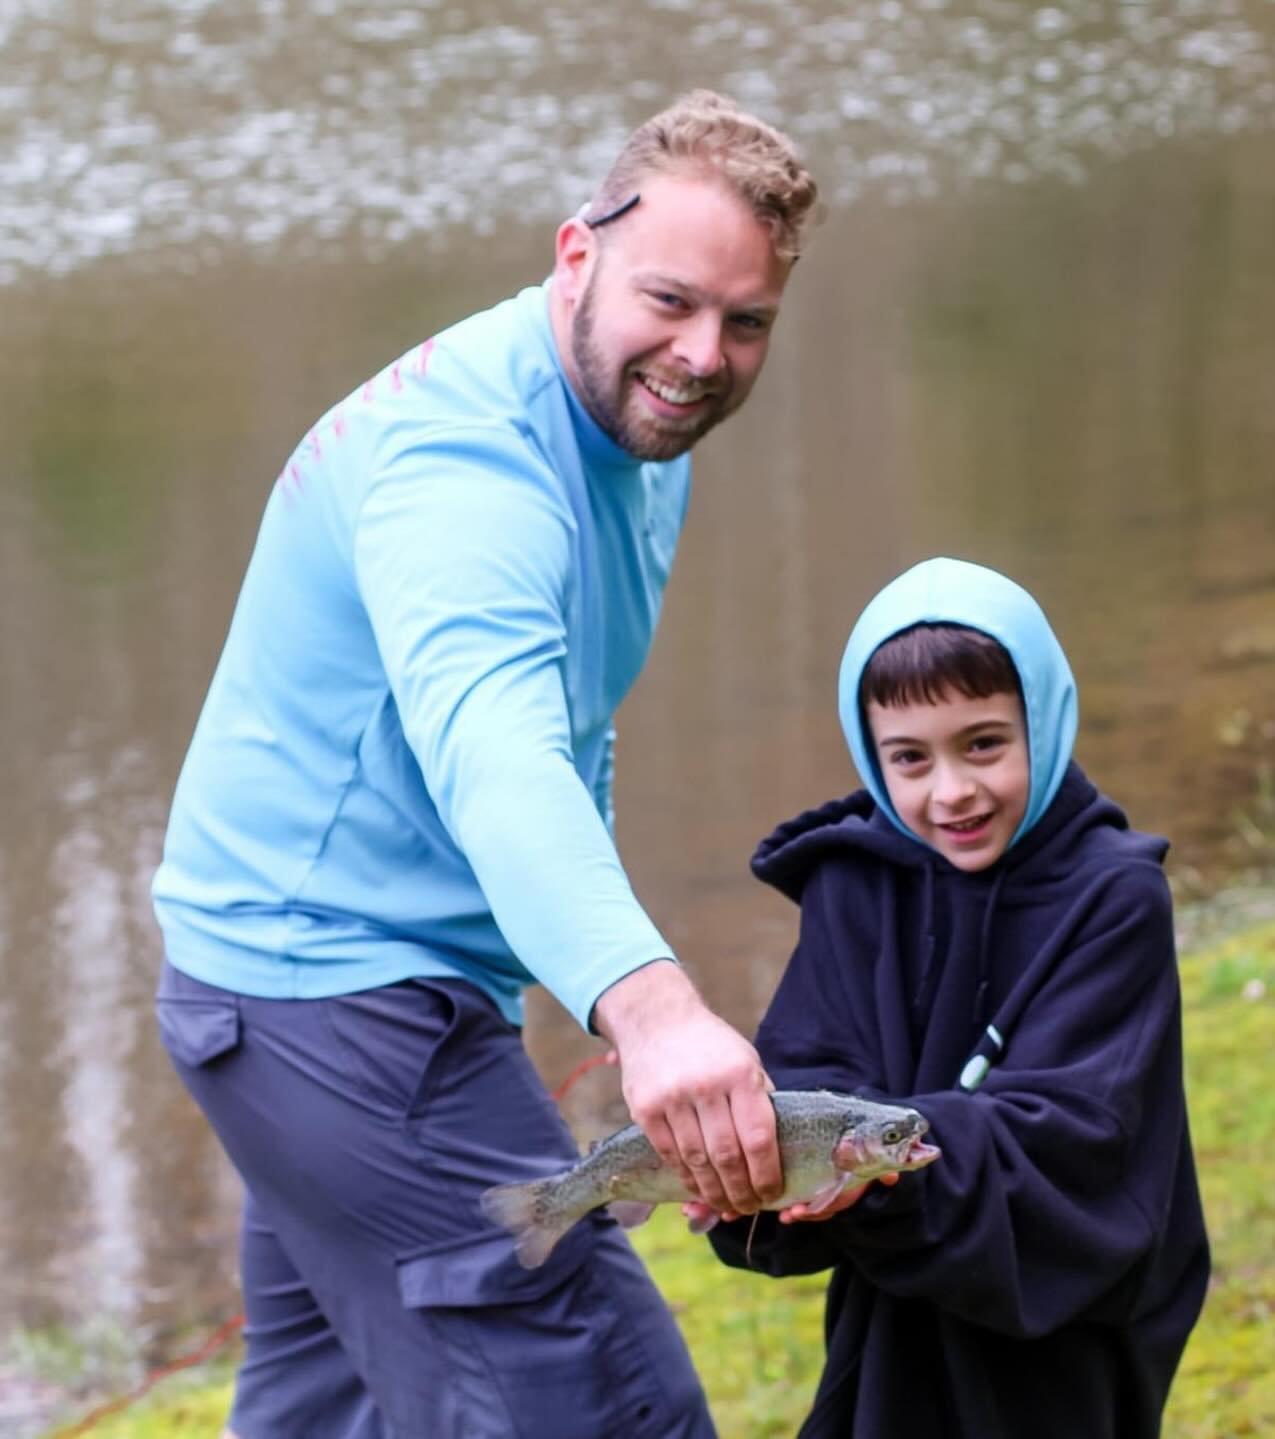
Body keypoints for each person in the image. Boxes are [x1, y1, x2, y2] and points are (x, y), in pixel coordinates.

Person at [150, 91, 818, 1438]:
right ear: (576, 254)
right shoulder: (468, 473)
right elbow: (499, 752)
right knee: (605, 1407)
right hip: (332, 1004)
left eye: (745, 322)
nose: (700, 354)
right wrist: (654, 1011)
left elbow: (568, 712)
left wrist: (556, 970)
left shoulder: (627, 424)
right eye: (671, 299)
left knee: (327, 1412)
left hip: (318, 998)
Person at [705, 557, 1210, 1438]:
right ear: (870, 756)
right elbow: (806, 1077)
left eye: (984, 743)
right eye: (909, 758)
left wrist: (872, 1165)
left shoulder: (1113, 897)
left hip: (1065, 1344)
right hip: (889, 1333)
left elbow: (1074, 1136)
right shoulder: (855, 885)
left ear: (1042, 724)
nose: (952, 791)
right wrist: (766, 1169)